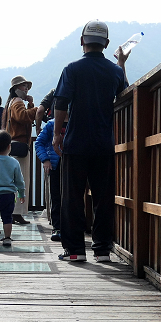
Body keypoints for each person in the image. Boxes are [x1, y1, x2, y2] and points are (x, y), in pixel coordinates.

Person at [52, 19, 129, 262]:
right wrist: (121, 63)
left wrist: (56, 134)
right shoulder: (115, 71)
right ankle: (102, 250)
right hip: (104, 144)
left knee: (72, 198)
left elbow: (61, 103)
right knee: (103, 198)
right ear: (106, 44)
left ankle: (75, 250)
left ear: (82, 41)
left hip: (75, 143)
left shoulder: (72, 69)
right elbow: (124, 93)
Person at [1, 75, 37, 225]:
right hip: (19, 144)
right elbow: (22, 117)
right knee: (21, 181)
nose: (26, 89)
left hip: (12, 145)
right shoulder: (17, 102)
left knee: (15, 180)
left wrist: (30, 105)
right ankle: (17, 212)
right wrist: (36, 109)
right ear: (16, 89)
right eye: (23, 86)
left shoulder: (11, 102)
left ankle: (13, 212)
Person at [33, 117, 62, 241]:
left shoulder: (77, 119)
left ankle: (72, 227)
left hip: (74, 164)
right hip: (56, 165)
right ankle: (58, 227)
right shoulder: (52, 124)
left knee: (73, 197)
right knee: (56, 197)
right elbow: (39, 143)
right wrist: (45, 160)